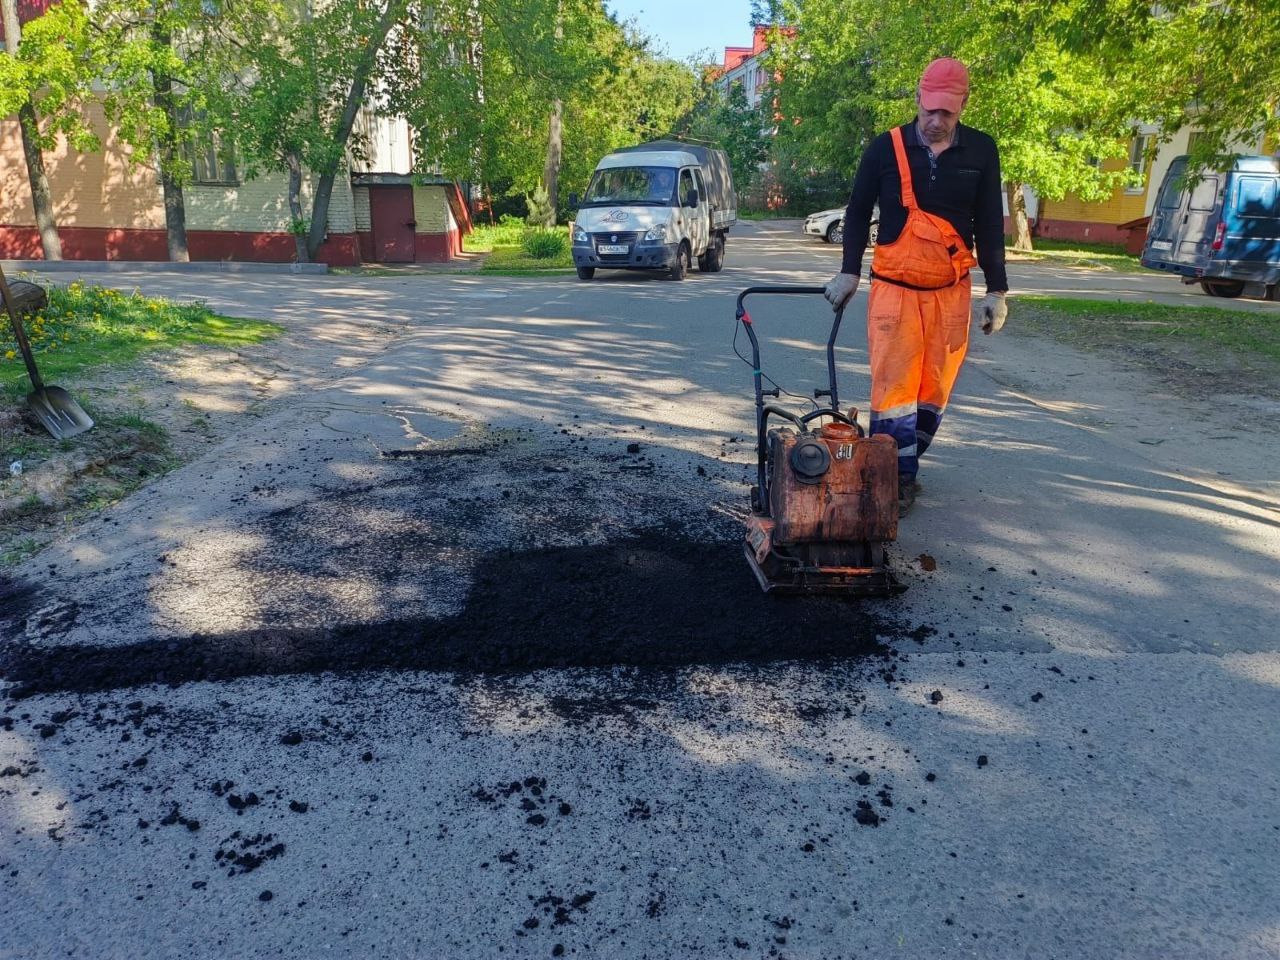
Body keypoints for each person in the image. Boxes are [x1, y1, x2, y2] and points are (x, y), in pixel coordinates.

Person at [824, 57, 1008, 516]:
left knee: (934, 389)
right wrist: (849, 271)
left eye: (946, 111)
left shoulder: (982, 151)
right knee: (894, 388)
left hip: (951, 293)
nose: (936, 120)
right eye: (929, 109)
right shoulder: (884, 148)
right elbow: (858, 211)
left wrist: (998, 291)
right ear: (917, 100)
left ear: (963, 105)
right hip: (895, 290)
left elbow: (988, 224)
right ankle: (896, 477)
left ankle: (907, 459)